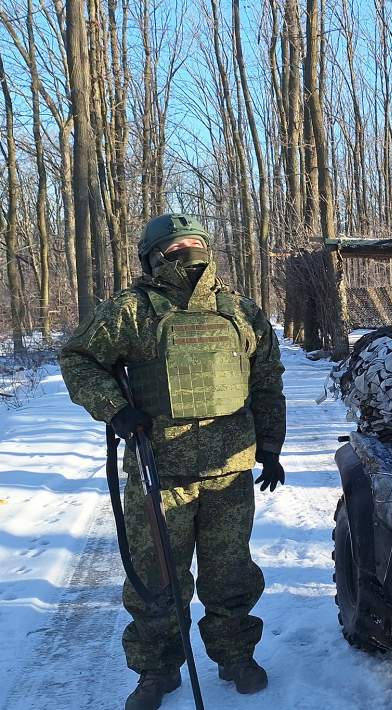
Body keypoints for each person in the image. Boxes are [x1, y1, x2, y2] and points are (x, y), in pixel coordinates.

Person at [59, 213, 286, 710]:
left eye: (195, 243)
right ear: (154, 255)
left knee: (230, 575)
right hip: (160, 468)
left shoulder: (240, 311)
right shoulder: (131, 310)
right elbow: (78, 358)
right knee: (158, 578)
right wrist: (115, 409)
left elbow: (267, 381)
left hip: (230, 468)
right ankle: (157, 670)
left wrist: (270, 447)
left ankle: (235, 655)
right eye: (176, 245)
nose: (188, 253)